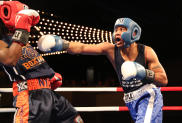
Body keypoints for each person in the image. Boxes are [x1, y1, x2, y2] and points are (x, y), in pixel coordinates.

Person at [38, 17, 168, 123]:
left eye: (122, 29)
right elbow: (82, 48)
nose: (117, 32)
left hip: (148, 94)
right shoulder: (110, 50)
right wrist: (61, 44)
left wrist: (142, 72)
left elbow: (163, 79)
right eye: (116, 29)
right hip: (130, 99)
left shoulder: (146, 51)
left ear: (133, 33)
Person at [0, 0, 83, 123]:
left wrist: (47, 76)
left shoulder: (20, 40)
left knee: (75, 120)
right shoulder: (4, 40)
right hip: (30, 96)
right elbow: (9, 59)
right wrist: (22, 30)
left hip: (48, 94)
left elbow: (29, 62)